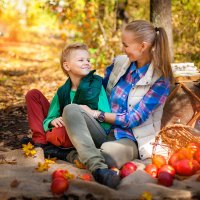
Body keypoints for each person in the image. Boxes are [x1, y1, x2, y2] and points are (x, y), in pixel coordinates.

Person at [61, 20, 173, 189]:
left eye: (125, 45)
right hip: (103, 128)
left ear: (142, 46)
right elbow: (102, 91)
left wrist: (96, 114)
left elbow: (133, 119)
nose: (122, 48)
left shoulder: (160, 80)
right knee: (70, 110)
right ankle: (99, 169)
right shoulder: (120, 63)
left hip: (131, 138)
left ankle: (69, 154)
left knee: (108, 156)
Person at [24, 43, 111, 161]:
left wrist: (89, 113)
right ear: (67, 66)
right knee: (33, 94)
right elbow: (50, 117)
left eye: (88, 60)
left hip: (89, 132)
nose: (87, 63)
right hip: (64, 127)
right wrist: (52, 121)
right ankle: (41, 143)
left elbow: (106, 121)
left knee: (58, 134)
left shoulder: (97, 86)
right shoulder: (63, 91)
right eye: (81, 60)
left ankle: (52, 144)